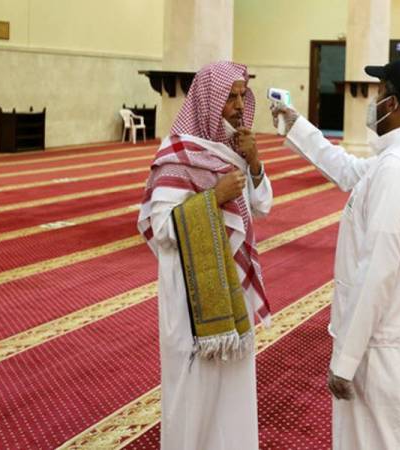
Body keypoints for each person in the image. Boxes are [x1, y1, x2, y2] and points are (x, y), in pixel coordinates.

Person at [272, 56, 400, 450]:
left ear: (395, 104)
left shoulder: (398, 169)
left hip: (387, 343)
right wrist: (296, 125)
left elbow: (377, 271)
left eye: (381, 92)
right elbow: (350, 171)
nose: (375, 99)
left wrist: (345, 361)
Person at [138, 61, 272, 450]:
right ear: (207, 101)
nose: (236, 104)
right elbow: (159, 228)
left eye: (242, 95)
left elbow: (261, 205)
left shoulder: (234, 151)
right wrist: (214, 198)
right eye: (229, 96)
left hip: (234, 294)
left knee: (233, 390)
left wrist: (256, 164)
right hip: (190, 297)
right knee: (193, 391)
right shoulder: (178, 155)